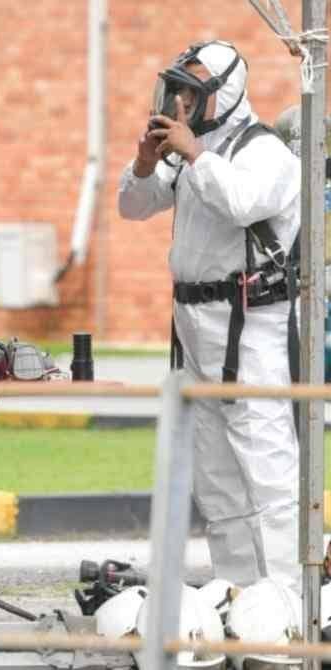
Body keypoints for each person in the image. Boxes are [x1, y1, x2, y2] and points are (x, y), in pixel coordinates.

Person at [118, 40, 301, 591]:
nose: (179, 101)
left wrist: (195, 153)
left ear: (225, 95)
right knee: (216, 477)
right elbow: (133, 207)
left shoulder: (263, 150)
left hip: (249, 330)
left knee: (266, 473)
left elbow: (242, 202)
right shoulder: (193, 150)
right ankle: (241, 594)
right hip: (195, 330)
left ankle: (287, 603)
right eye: (175, 90)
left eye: (190, 92)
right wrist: (146, 165)